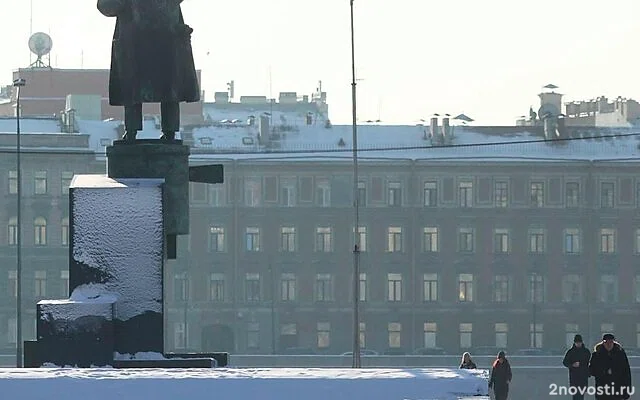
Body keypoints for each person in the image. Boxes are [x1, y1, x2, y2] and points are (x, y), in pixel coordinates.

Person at [97, 0, 201, 142]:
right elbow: (105, 6)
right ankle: (133, 130)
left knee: (169, 88)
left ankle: (167, 132)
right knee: (134, 88)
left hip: (164, 36)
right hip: (135, 41)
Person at [589, 333, 632, 400]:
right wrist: (604, 371)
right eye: (606, 342)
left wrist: (626, 391)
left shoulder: (620, 354)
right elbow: (591, 370)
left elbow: (626, 373)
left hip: (617, 388)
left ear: (614, 342)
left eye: (611, 342)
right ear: (603, 343)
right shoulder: (597, 354)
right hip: (602, 388)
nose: (608, 344)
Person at [562, 334, 592, 400]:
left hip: (580, 375)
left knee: (579, 394)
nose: (578, 344)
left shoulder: (585, 352)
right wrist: (572, 365)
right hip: (576, 376)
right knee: (577, 395)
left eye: (579, 342)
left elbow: (590, 363)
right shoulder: (572, 352)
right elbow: (565, 362)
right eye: (577, 342)